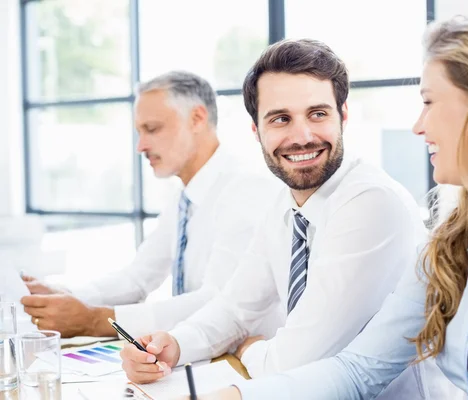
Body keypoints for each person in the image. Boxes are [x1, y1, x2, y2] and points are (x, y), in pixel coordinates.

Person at [200, 9, 468, 400]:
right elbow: (360, 369)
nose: (418, 125)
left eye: (428, 101)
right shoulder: (454, 242)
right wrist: (235, 394)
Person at [119, 39, 456, 397]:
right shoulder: (286, 203)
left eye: (318, 114)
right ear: (256, 130)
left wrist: (248, 348)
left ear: (343, 115)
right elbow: (235, 307)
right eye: (281, 119)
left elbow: (294, 363)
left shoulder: (371, 202)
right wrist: (173, 345)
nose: (302, 137)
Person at [20, 71, 282, 339]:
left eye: (152, 129)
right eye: (139, 132)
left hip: (245, 362)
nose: (141, 146)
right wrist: (66, 295)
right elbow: (138, 277)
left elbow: (216, 302)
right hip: (201, 355)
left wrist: (94, 320)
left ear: (197, 118)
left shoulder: (247, 190)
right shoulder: (184, 198)